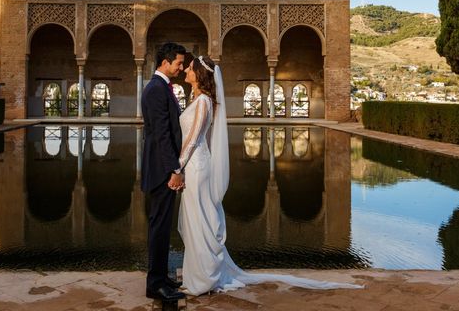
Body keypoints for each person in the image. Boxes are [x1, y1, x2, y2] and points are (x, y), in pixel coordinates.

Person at [177, 55, 363, 295]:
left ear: (200, 75)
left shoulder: (203, 101)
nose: (185, 72)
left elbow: (193, 139)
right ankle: (197, 275)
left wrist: (177, 166)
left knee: (199, 220)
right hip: (195, 165)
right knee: (196, 220)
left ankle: (204, 277)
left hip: (195, 166)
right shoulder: (199, 99)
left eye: (190, 69)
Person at [140, 42, 187, 302]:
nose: (181, 68)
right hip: (161, 170)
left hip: (161, 168)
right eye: (178, 63)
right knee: (159, 227)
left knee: (161, 225)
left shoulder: (160, 87)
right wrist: (175, 169)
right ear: (165, 62)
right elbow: (161, 135)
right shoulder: (156, 89)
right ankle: (155, 284)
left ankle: (161, 276)